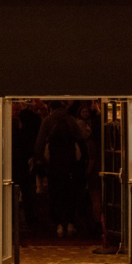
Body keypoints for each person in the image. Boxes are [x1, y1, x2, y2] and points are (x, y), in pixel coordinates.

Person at [34, 101, 83, 238]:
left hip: (54, 165)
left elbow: (40, 143)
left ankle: (58, 224)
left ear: (51, 108)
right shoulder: (71, 120)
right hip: (70, 165)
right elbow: (80, 142)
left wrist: (41, 162)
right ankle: (70, 222)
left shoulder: (48, 121)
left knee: (56, 194)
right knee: (70, 194)